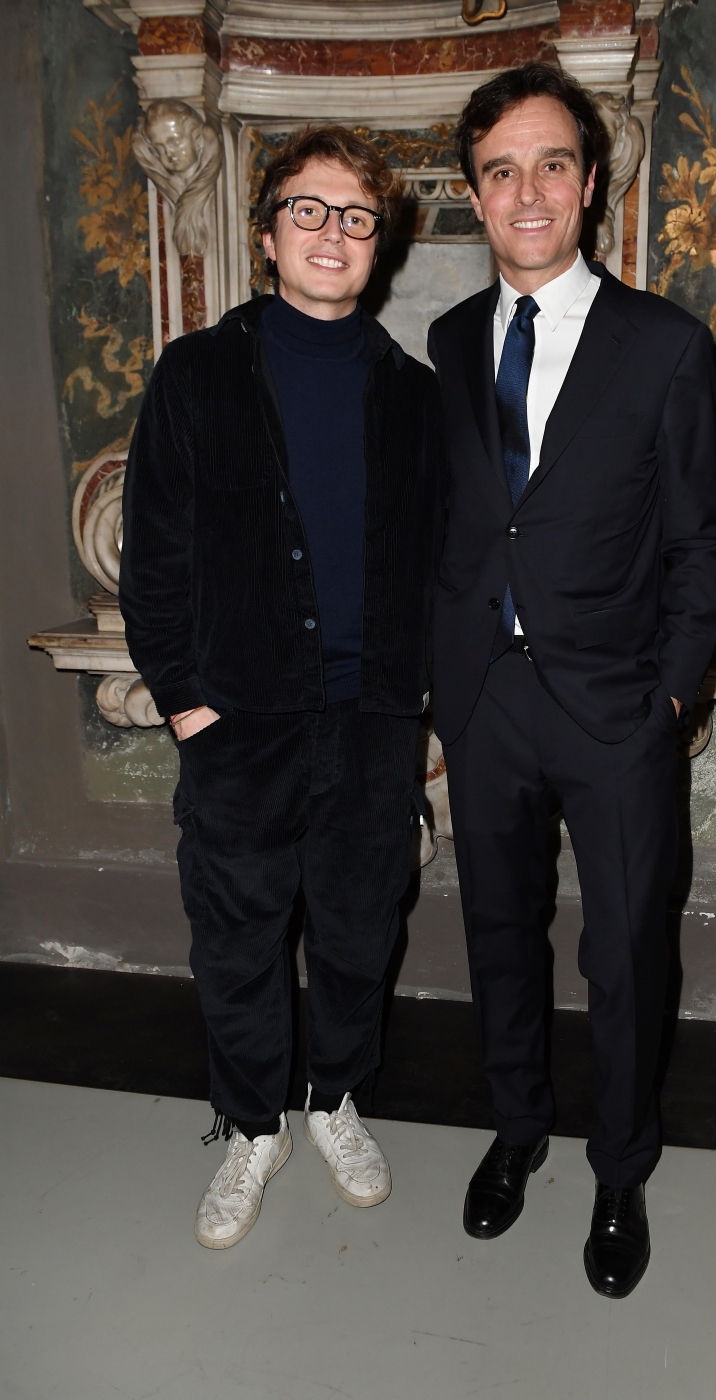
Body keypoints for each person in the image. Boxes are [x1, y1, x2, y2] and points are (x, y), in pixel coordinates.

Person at [427, 63, 716, 1297]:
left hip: (616, 710)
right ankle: (516, 1127)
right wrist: (441, 677)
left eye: (550, 164)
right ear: (474, 194)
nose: (527, 192)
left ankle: (619, 1167)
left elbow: (704, 540)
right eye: (500, 171)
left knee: (626, 954)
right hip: (484, 703)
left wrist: (670, 696)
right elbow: (456, 524)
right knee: (498, 934)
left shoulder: (666, 346)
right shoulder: (450, 341)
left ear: (590, 182)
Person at [120, 126, 444, 1249]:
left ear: (378, 243)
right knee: (237, 938)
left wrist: (414, 701)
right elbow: (153, 557)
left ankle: (334, 1100)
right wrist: (185, 700)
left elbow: (437, 564)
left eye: (356, 216)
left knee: (359, 932)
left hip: (372, 723)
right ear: (267, 235)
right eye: (309, 209)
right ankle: (252, 1124)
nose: (332, 233)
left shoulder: (414, 396)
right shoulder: (195, 375)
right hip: (237, 721)